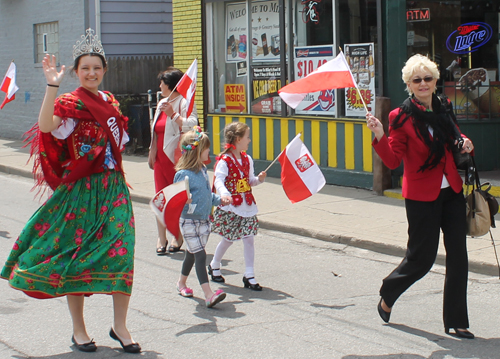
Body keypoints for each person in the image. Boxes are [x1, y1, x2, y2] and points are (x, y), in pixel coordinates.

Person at [0, 29, 141, 353]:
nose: (91, 73)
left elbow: (119, 144)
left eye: (97, 67)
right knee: (76, 257)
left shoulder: (111, 102)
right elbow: (48, 126)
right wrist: (52, 85)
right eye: (85, 68)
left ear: (104, 70)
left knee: (122, 252)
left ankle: (119, 326)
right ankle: (79, 330)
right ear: (77, 72)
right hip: (81, 189)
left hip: (113, 187)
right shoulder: (69, 101)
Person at [366, 54, 475, 339]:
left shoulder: (444, 108)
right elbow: (392, 161)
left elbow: (455, 137)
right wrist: (379, 134)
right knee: (422, 259)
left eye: (428, 78)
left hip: (451, 191)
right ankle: (389, 291)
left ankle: (456, 320)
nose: (423, 84)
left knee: (458, 257)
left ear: (436, 81)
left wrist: (465, 143)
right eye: (417, 80)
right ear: (409, 85)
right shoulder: (400, 117)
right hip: (421, 196)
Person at [173, 126, 232, 307]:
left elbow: (207, 196)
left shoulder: (203, 171)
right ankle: (209, 294)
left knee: (191, 255)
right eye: (206, 147)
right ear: (197, 151)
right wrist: (184, 199)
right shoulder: (183, 174)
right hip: (189, 221)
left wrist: (220, 200)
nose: (209, 151)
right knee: (200, 255)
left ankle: (181, 283)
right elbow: (174, 200)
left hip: (204, 220)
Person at [208, 121, 267, 290]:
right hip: (231, 206)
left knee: (249, 239)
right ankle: (214, 264)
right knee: (228, 239)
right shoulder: (224, 160)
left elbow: (250, 181)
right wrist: (224, 193)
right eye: (247, 137)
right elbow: (218, 180)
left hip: (247, 206)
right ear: (238, 139)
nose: (249, 140)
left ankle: (249, 274)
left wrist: (259, 180)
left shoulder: (247, 159)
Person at [149, 67, 198, 255]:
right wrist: (152, 153)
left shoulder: (184, 102)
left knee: (177, 198)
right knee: (160, 198)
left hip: (177, 159)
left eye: (162, 82)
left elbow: (193, 124)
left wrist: (173, 114)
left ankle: (177, 235)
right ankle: (161, 237)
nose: (160, 85)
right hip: (160, 160)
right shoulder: (162, 102)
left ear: (171, 84)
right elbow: (155, 130)